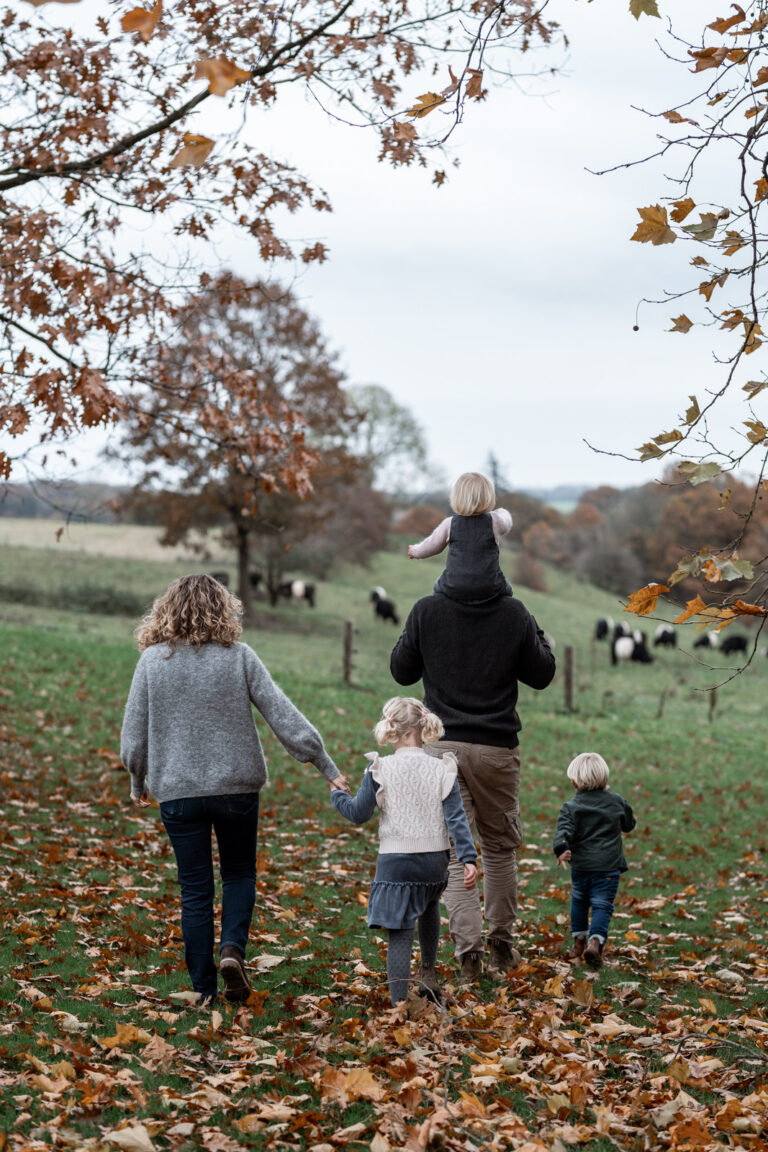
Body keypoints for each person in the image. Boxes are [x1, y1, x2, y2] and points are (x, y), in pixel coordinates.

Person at [120, 573, 348, 1005]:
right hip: (237, 789)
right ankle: (232, 951)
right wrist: (325, 765)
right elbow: (284, 717)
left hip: (179, 791)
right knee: (239, 873)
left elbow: (133, 739)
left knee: (195, 888)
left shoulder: (152, 661)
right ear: (224, 610)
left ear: (166, 610)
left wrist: (138, 781)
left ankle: (204, 989)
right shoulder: (239, 656)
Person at [390, 546, 555, 984]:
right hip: (497, 749)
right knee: (498, 848)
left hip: (439, 747)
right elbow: (543, 673)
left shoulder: (426, 611)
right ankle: (501, 941)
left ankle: (469, 957)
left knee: (452, 855)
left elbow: (400, 671)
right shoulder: (514, 613)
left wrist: (416, 632)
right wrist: (534, 630)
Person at [329, 697, 477, 1007]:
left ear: (393, 730)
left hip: (396, 863)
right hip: (435, 862)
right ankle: (427, 972)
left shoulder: (380, 767)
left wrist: (336, 797)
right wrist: (467, 858)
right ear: (423, 728)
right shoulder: (441, 768)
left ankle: (399, 1005)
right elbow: (456, 818)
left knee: (400, 931)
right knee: (429, 903)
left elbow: (359, 813)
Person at [553, 752, 636, 969]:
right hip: (608, 868)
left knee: (579, 901)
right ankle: (596, 941)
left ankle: (579, 939)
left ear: (574, 782)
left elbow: (564, 831)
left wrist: (562, 849)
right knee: (602, 905)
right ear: (604, 779)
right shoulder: (617, 802)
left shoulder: (570, 807)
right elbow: (629, 824)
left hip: (581, 867)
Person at [407, 471, 513, 603]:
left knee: (437, 586)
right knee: (508, 589)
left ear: (456, 498)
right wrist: (502, 512)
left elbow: (432, 545)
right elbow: (507, 521)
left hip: (454, 585)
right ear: (489, 498)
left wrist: (415, 551)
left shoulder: (450, 523)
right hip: (490, 586)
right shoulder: (495, 521)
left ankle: (438, 608)